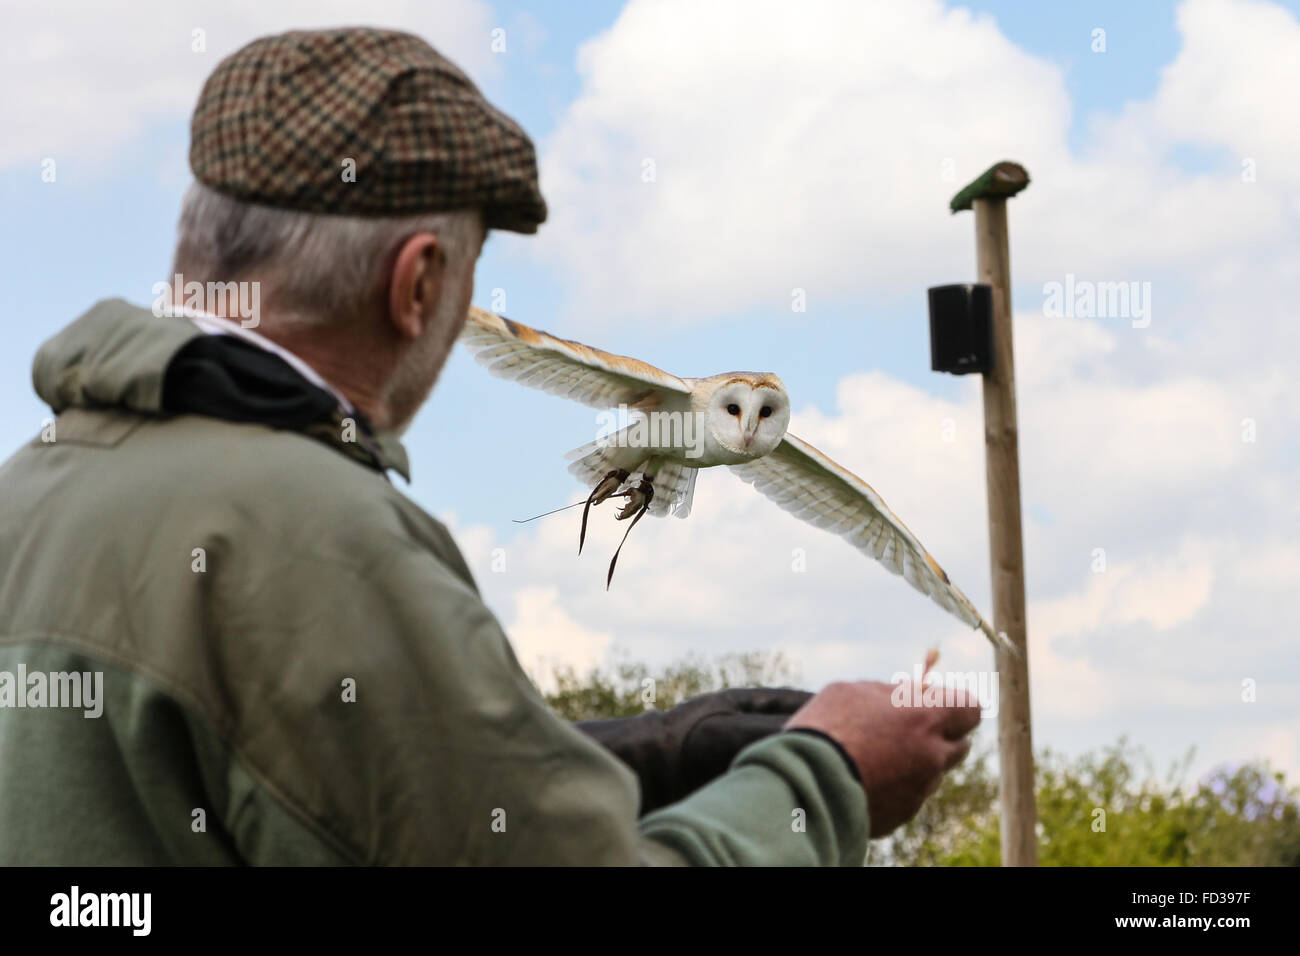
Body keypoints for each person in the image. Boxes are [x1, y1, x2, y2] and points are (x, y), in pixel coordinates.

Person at [0, 27, 980, 865]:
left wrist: (639, 756)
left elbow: (329, 787)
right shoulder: (313, 534)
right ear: (418, 284)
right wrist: (826, 771)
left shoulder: (35, 488)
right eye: (469, 269)